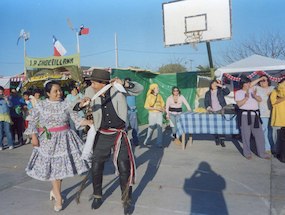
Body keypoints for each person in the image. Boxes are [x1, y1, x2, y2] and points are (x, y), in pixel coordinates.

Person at [74, 69, 143, 214]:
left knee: (124, 167)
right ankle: (98, 195)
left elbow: (139, 89)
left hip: (119, 133)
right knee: (96, 165)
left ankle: (126, 201)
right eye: (91, 82)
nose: (91, 84)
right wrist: (81, 105)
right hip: (102, 133)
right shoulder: (90, 91)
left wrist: (124, 83)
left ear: (102, 82)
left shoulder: (117, 88)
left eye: (94, 82)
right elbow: (76, 106)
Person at [24, 80, 92, 212]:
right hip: (48, 141)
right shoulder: (41, 105)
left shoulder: (66, 104)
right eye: (55, 91)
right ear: (48, 93)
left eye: (60, 90)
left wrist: (89, 122)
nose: (59, 93)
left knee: (59, 170)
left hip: (65, 139)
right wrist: (33, 136)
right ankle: (59, 197)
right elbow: (32, 120)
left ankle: (55, 191)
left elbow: (76, 118)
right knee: (54, 169)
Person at [235, 75, 270, 160]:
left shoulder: (253, 90)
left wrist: (255, 96)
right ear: (242, 84)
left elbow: (260, 100)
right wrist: (246, 98)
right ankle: (247, 153)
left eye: (248, 82)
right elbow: (239, 105)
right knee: (245, 135)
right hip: (244, 116)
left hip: (255, 115)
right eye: (246, 83)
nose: (248, 84)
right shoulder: (239, 92)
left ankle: (262, 153)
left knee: (259, 135)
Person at [251, 75, 275, 153]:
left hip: (273, 113)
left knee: (272, 131)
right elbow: (250, 85)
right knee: (265, 130)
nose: (262, 82)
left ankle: (273, 147)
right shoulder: (257, 88)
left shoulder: (273, 88)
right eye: (261, 81)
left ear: (268, 81)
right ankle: (267, 147)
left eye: (264, 80)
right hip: (263, 113)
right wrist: (260, 78)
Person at [204, 80, 230, 147]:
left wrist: (221, 86)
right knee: (214, 125)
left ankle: (222, 140)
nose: (214, 85)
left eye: (215, 84)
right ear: (210, 85)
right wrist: (208, 107)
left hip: (220, 110)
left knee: (221, 125)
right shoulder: (208, 93)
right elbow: (206, 101)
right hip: (212, 111)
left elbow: (228, 92)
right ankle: (216, 138)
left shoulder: (220, 91)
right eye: (213, 84)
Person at [143, 83, 165, 148]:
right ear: (153, 89)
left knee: (160, 128)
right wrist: (155, 108)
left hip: (159, 114)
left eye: (158, 88)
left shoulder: (159, 96)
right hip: (152, 114)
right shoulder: (149, 96)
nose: (158, 89)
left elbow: (163, 104)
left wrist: (163, 109)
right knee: (151, 128)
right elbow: (146, 106)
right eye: (157, 88)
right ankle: (147, 140)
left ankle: (159, 143)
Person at [270, 79, 285, 160]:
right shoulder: (275, 91)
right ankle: (277, 152)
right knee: (277, 138)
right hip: (278, 118)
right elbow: (273, 102)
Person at [125, 78, 140, 146]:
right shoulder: (122, 92)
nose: (127, 84)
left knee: (135, 127)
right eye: (126, 82)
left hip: (133, 112)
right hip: (125, 112)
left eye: (129, 82)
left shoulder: (134, 91)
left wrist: (134, 107)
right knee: (125, 128)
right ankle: (124, 142)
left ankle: (135, 141)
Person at [0, 86, 14, 150]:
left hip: (6, 117)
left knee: (8, 131)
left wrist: (7, 100)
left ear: (3, 91)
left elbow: (10, 105)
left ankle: (10, 144)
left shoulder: (7, 97)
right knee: (0, 132)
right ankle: (1, 145)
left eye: (1, 91)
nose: (0, 92)